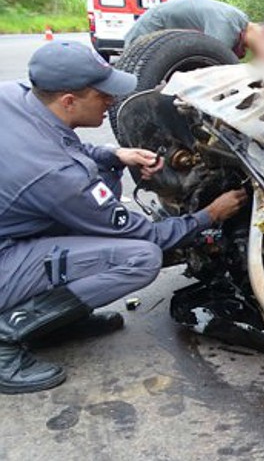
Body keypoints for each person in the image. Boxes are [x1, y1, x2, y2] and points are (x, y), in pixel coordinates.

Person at [0, 41, 248, 394]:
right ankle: (7, 335)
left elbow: (59, 145)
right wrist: (209, 215)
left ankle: (55, 320)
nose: (112, 102)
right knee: (140, 258)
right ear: (68, 100)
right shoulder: (57, 176)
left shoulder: (15, 96)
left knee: (101, 179)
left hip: (13, 226)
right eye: (103, 96)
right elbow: (146, 235)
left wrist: (114, 154)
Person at [123, 0, 264, 63]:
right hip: (149, 33)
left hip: (156, 31)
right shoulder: (227, 25)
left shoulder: (237, 22)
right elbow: (213, 67)